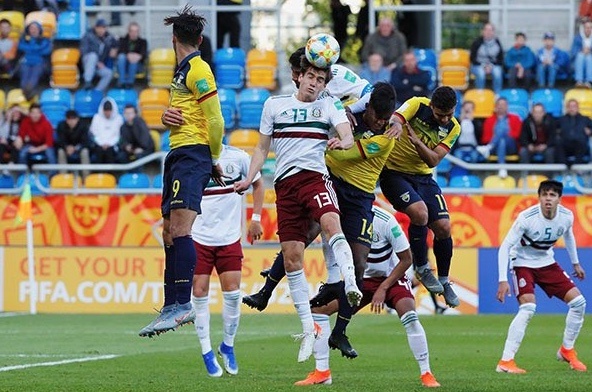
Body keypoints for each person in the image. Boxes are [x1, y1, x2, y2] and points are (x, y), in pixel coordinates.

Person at [234, 58, 361, 363]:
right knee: (292, 258)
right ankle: (307, 329)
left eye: (321, 79)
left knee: (331, 222)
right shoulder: (274, 105)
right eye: (312, 77)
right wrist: (251, 177)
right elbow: (262, 148)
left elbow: (346, 132)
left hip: (314, 178)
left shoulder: (328, 106)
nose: (315, 83)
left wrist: (344, 141)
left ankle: (351, 281)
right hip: (285, 187)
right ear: (300, 77)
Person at [138, 6, 225, 338]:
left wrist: (212, 156)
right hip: (179, 153)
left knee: (181, 230)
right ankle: (171, 305)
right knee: (169, 232)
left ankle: (182, 305)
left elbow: (215, 119)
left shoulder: (199, 70)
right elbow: (183, 113)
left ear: (174, 39)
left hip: (192, 155)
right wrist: (165, 118)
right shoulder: (183, 70)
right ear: (199, 39)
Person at [295, 205, 440, 388]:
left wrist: (383, 288)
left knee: (410, 317)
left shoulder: (386, 220)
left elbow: (406, 259)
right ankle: (322, 372)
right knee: (318, 310)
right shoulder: (338, 219)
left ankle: (426, 373)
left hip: (391, 278)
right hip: (360, 281)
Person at [379, 86, 460, 308]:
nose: (444, 119)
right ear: (431, 106)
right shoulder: (417, 104)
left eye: (449, 114)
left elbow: (433, 161)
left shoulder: (453, 128)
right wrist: (396, 126)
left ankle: (444, 280)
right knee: (420, 213)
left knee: (444, 227)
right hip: (394, 173)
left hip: (423, 178)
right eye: (439, 114)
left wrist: (417, 142)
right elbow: (397, 117)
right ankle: (422, 268)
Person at [496, 180, 587, 374]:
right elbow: (505, 246)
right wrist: (502, 279)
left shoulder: (566, 216)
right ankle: (506, 361)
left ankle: (567, 350)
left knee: (579, 303)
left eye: (552, 195)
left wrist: (575, 263)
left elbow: (568, 235)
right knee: (528, 308)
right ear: (539, 197)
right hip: (521, 262)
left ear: (559, 199)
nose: (548, 198)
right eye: (544, 194)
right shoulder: (526, 218)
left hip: (546, 262)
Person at [191, 143, 264, 377]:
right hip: (199, 237)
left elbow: (259, 184)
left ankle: (228, 346)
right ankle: (206, 351)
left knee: (233, 294)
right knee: (199, 292)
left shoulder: (239, 157)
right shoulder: (194, 158)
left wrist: (256, 218)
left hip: (229, 237)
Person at [479, 97, 522, 177]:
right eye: (499, 104)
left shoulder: (515, 118)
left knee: (503, 131)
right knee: (501, 140)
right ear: (496, 106)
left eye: (503, 104)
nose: (501, 106)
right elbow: (485, 138)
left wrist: (506, 134)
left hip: (511, 145)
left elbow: (518, 134)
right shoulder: (489, 120)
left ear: (507, 106)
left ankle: (488, 147)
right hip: (495, 147)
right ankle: (502, 168)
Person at [80, 19, 118, 92]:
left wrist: (115, 49)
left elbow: (116, 45)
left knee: (109, 73)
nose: (101, 30)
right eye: (99, 28)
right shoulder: (88, 36)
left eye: (103, 28)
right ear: (95, 27)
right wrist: (97, 62)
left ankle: (97, 92)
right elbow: (84, 51)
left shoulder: (109, 38)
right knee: (93, 56)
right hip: (87, 63)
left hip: (98, 67)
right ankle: (87, 82)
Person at [18, 21, 52, 100]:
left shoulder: (45, 40)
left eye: (36, 28)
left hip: (39, 62)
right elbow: (20, 47)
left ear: (39, 30)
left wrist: (30, 49)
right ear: (28, 30)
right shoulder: (24, 40)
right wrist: (37, 49)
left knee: (35, 74)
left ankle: (29, 90)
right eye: (31, 28)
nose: (33, 30)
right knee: (24, 73)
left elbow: (47, 51)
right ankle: (25, 91)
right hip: (26, 61)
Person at [553, 99, 592, 165]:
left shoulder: (585, 119)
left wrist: (590, 131)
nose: (572, 109)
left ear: (578, 107)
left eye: (574, 106)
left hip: (579, 145)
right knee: (558, 144)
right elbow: (553, 130)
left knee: (582, 144)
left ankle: (575, 166)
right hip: (566, 144)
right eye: (570, 106)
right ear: (567, 108)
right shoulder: (560, 120)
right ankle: (565, 166)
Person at [470, 22, 504, 93]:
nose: (488, 32)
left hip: (493, 65)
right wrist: (484, 66)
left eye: (490, 30)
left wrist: (491, 66)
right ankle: (480, 93)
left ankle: (497, 94)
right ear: (483, 31)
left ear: (493, 32)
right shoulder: (477, 42)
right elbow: (472, 58)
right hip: (478, 65)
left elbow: (500, 59)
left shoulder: (497, 42)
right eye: (486, 30)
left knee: (497, 72)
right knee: (481, 73)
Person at [55, 110, 91, 176]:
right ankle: (63, 177)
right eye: (69, 119)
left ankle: (86, 178)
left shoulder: (83, 126)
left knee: (85, 152)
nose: (71, 122)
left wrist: (75, 148)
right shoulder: (61, 126)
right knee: (60, 152)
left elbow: (86, 142)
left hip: (79, 148)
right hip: (66, 148)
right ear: (66, 119)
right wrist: (66, 147)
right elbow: (59, 141)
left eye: (73, 119)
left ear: (77, 119)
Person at [89, 98, 123, 164]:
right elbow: (93, 134)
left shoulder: (119, 118)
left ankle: (110, 173)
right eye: (106, 111)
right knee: (99, 151)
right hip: (99, 145)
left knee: (110, 152)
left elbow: (119, 136)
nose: (107, 113)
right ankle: (99, 173)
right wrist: (101, 143)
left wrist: (110, 144)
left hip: (113, 145)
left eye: (109, 111)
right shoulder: (96, 118)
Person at [116, 22, 148, 89]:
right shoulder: (122, 40)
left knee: (133, 61)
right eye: (132, 31)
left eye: (136, 31)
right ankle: (122, 82)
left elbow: (144, 54)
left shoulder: (143, 42)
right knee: (121, 57)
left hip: (137, 66)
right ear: (128, 31)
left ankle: (129, 84)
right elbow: (119, 51)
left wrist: (138, 56)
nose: (134, 33)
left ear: (138, 32)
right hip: (124, 64)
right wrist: (128, 55)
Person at [571, 20, 592, 87]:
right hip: (579, 60)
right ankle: (579, 81)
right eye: (586, 27)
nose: (588, 29)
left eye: (590, 27)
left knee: (589, 57)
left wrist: (589, 51)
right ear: (583, 28)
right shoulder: (577, 38)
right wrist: (581, 50)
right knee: (580, 56)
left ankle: (588, 82)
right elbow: (573, 52)